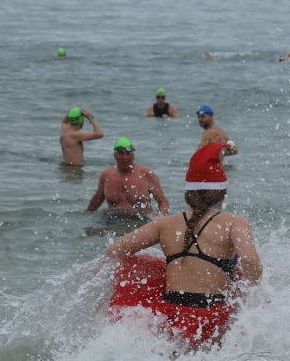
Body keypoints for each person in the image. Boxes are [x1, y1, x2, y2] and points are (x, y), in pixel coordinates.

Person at [103, 141, 262, 347]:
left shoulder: (165, 223)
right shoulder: (234, 222)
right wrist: (255, 292)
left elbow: (115, 250)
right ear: (222, 191)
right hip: (210, 316)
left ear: (189, 193)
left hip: (171, 313)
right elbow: (249, 259)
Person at [86, 137, 170, 219]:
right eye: (121, 154)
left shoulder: (146, 174)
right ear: (115, 155)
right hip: (112, 220)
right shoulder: (107, 175)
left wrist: (162, 215)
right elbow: (96, 201)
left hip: (141, 220)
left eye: (128, 153)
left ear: (133, 155)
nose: (125, 157)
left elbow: (162, 201)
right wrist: (85, 216)